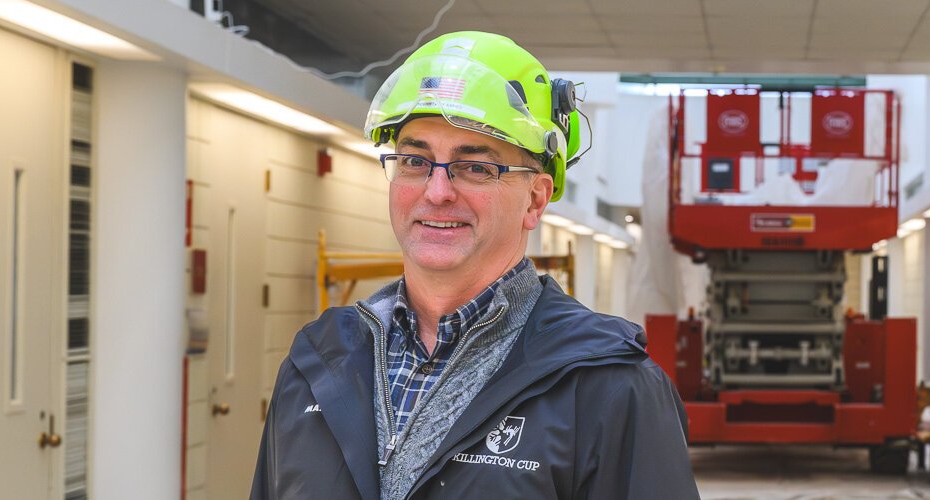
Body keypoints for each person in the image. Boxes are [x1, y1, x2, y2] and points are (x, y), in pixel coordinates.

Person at [250, 31, 699, 500]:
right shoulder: (317, 361)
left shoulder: (608, 385)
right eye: (414, 160)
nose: (437, 192)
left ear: (536, 198)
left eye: (476, 167)